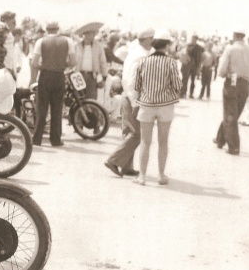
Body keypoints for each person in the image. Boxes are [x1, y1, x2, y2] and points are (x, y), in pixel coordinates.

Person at [133, 29, 182, 185]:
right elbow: (177, 85)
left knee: (145, 142)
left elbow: (137, 85)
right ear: (167, 45)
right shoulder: (171, 62)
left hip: (147, 105)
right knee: (163, 142)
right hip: (165, 106)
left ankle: (142, 176)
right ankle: (161, 175)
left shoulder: (143, 61)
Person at [104, 28, 154, 177]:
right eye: (151, 39)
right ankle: (113, 160)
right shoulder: (141, 55)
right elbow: (132, 80)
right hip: (134, 96)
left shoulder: (134, 52)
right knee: (137, 134)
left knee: (128, 132)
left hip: (128, 94)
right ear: (145, 39)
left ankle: (126, 166)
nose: (153, 42)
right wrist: (135, 102)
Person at [29, 22, 77, 146]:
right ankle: (55, 139)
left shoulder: (40, 41)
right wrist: (61, 65)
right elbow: (73, 62)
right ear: (58, 29)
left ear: (46, 30)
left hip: (45, 76)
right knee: (57, 109)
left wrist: (44, 66)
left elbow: (34, 63)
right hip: (59, 76)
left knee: (42, 108)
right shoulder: (67, 41)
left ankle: (37, 138)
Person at [214, 29, 249, 155]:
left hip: (233, 81)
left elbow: (222, 68)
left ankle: (234, 147)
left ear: (235, 36)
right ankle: (220, 139)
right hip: (245, 84)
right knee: (234, 113)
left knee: (230, 114)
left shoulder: (230, 48)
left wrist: (222, 74)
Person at [74, 30, 109, 100]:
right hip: (78, 75)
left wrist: (104, 77)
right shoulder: (76, 45)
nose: (89, 36)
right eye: (87, 33)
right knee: (78, 99)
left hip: (92, 76)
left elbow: (103, 62)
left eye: (91, 33)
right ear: (83, 34)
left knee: (92, 100)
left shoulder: (98, 46)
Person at [0, 11, 21, 79]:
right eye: (13, 22)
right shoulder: (0, 34)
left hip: (10, 69)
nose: (15, 25)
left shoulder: (9, 35)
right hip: (3, 70)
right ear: (6, 22)